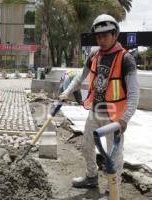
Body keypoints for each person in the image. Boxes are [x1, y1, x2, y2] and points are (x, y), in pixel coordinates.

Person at [59, 14, 139, 199]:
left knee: (114, 155)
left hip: (115, 116)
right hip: (96, 111)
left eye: (105, 35)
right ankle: (91, 176)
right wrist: (66, 92)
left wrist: (125, 119)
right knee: (87, 145)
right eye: (98, 36)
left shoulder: (125, 59)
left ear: (115, 34)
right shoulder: (95, 54)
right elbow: (80, 77)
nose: (101, 40)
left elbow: (134, 94)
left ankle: (113, 191)